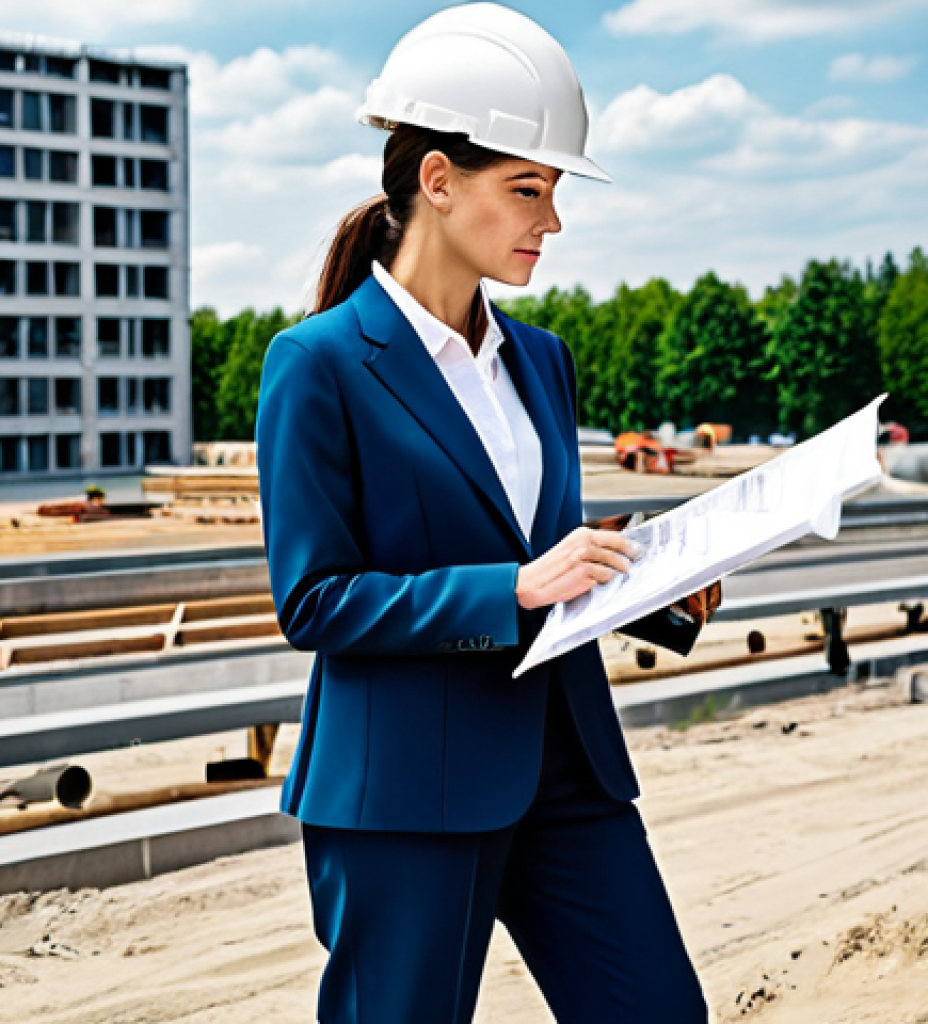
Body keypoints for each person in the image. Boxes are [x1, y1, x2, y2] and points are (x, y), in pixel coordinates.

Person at [257, 5, 718, 1021]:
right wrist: (512, 589)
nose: (549, 222)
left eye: (551, 193)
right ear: (436, 181)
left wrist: (656, 586)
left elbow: (546, 554)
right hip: (404, 789)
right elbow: (316, 601)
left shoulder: (541, 359)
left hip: (567, 769)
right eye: (526, 190)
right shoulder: (319, 365)